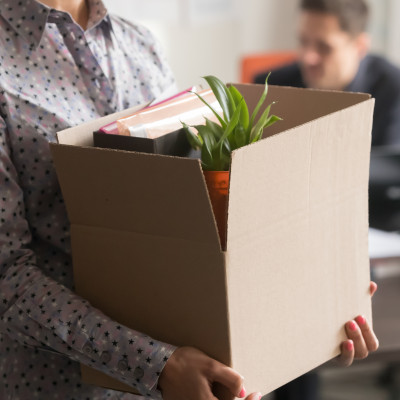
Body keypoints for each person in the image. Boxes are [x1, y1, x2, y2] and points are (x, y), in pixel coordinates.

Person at [0, 0, 378, 399]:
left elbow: (189, 231)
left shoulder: (141, 45)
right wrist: (158, 364)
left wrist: (310, 323)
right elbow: (6, 277)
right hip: (59, 388)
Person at [255, 0, 400, 147]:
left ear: (360, 46)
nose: (308, 58)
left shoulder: (394, 91)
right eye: (303, 41)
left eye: (324, 47)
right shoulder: (271, 87)